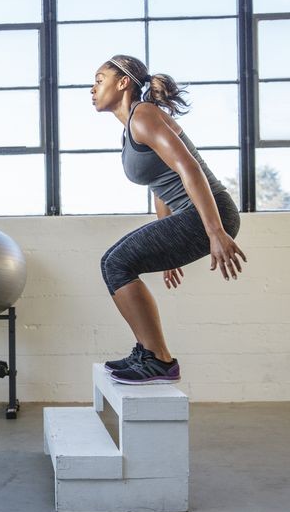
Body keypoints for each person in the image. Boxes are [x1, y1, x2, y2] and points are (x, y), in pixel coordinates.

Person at [93, 54, 246, 384]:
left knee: (115, 263)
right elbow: (159, 186)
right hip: (191, 216)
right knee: (116, 263)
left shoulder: (143, 116)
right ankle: (149, 353)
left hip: (207, 212)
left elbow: (188, 168)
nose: (92, 89)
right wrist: (165, 244)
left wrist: (215, 230)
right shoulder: (131, 128)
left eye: (99, 79)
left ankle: (159, 359)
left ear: (123, 83)